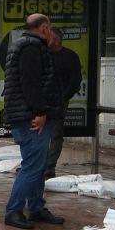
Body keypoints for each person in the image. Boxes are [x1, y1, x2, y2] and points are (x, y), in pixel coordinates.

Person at [2, 13, 64, 230]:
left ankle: (36, 207)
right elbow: (31, 83)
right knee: (32, 166)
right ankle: (14, 211)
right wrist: (39, 111)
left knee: (38, 165)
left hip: (24, 113)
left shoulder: (23, 45)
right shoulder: (31, 48)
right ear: (45, 28)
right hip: (30, 116)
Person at [43, 31, 83, 179]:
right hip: (41, 100)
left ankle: (49, 167)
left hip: (59, 101)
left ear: (58, 40)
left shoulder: (69, 56)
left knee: (56, 133)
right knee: (37, 132)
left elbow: (75, 79)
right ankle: (36, 163)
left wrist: (65, 96)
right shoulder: (42, 54)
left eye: (49, 37)